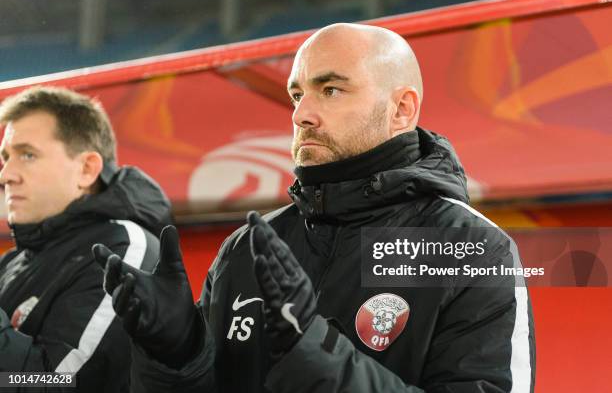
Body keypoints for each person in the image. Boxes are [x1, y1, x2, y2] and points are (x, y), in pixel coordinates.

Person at [94, 23, 536, 392]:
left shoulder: (475, 251)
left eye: (330, 90)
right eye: (296, 94)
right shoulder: (245, 248)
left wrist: (315, 347)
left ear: (402, 109)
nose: (301, 114)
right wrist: (175, 355)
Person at [0, 86, 171, 392]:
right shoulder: (14, 261)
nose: (5, 174)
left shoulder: (122, 250)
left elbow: (58, 383)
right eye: (5, 157)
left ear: (87, 169)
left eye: (27, 155)